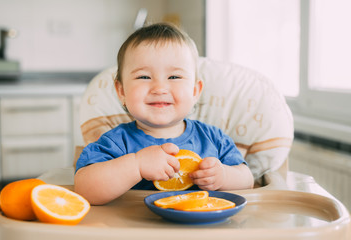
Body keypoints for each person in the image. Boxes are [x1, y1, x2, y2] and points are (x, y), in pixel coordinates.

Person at [74, 23, 254, 205]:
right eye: (144, 77)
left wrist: (223, 176)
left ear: (195, 91)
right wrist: (136, 165)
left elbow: (247, 179)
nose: (159, 88)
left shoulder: (213, 139)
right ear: (121, 92)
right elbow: (84, 188)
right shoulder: (116, 142)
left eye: (174, 77)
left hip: (202, 232)